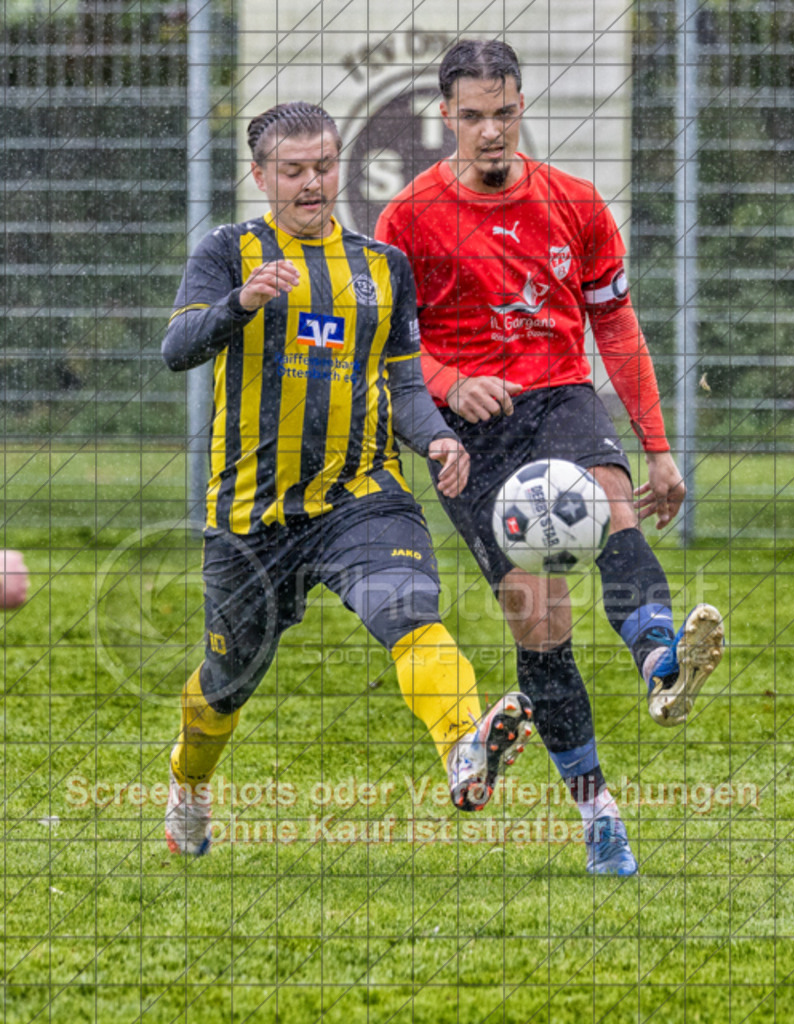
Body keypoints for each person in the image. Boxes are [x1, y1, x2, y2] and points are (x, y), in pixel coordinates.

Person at [376, 40, 725, 876]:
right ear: (445, 115)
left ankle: (660, 658)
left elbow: (617, 329)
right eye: (472, 117)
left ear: (520, 106)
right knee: (539, 620)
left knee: (608, 502)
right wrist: (451, 384)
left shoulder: (574, 203)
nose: (490, 131)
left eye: (503, 113)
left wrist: (657, 449)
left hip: (560, 397)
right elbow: (388, 350)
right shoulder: (408, 219)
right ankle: (596, 811)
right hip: (469, 432)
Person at [160, 101, 534, 856]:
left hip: (360, 495)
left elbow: (404, 383)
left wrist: (436, 440)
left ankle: (465, 742)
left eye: (324, 167)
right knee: (227, 681)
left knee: (409, 612)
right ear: (260, 176)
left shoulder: (382, 267)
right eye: (293, 170)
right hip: (252, 513)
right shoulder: (228, 251)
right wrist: (242, 303)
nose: (312, 183)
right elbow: (178, 348)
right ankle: (188, 784)